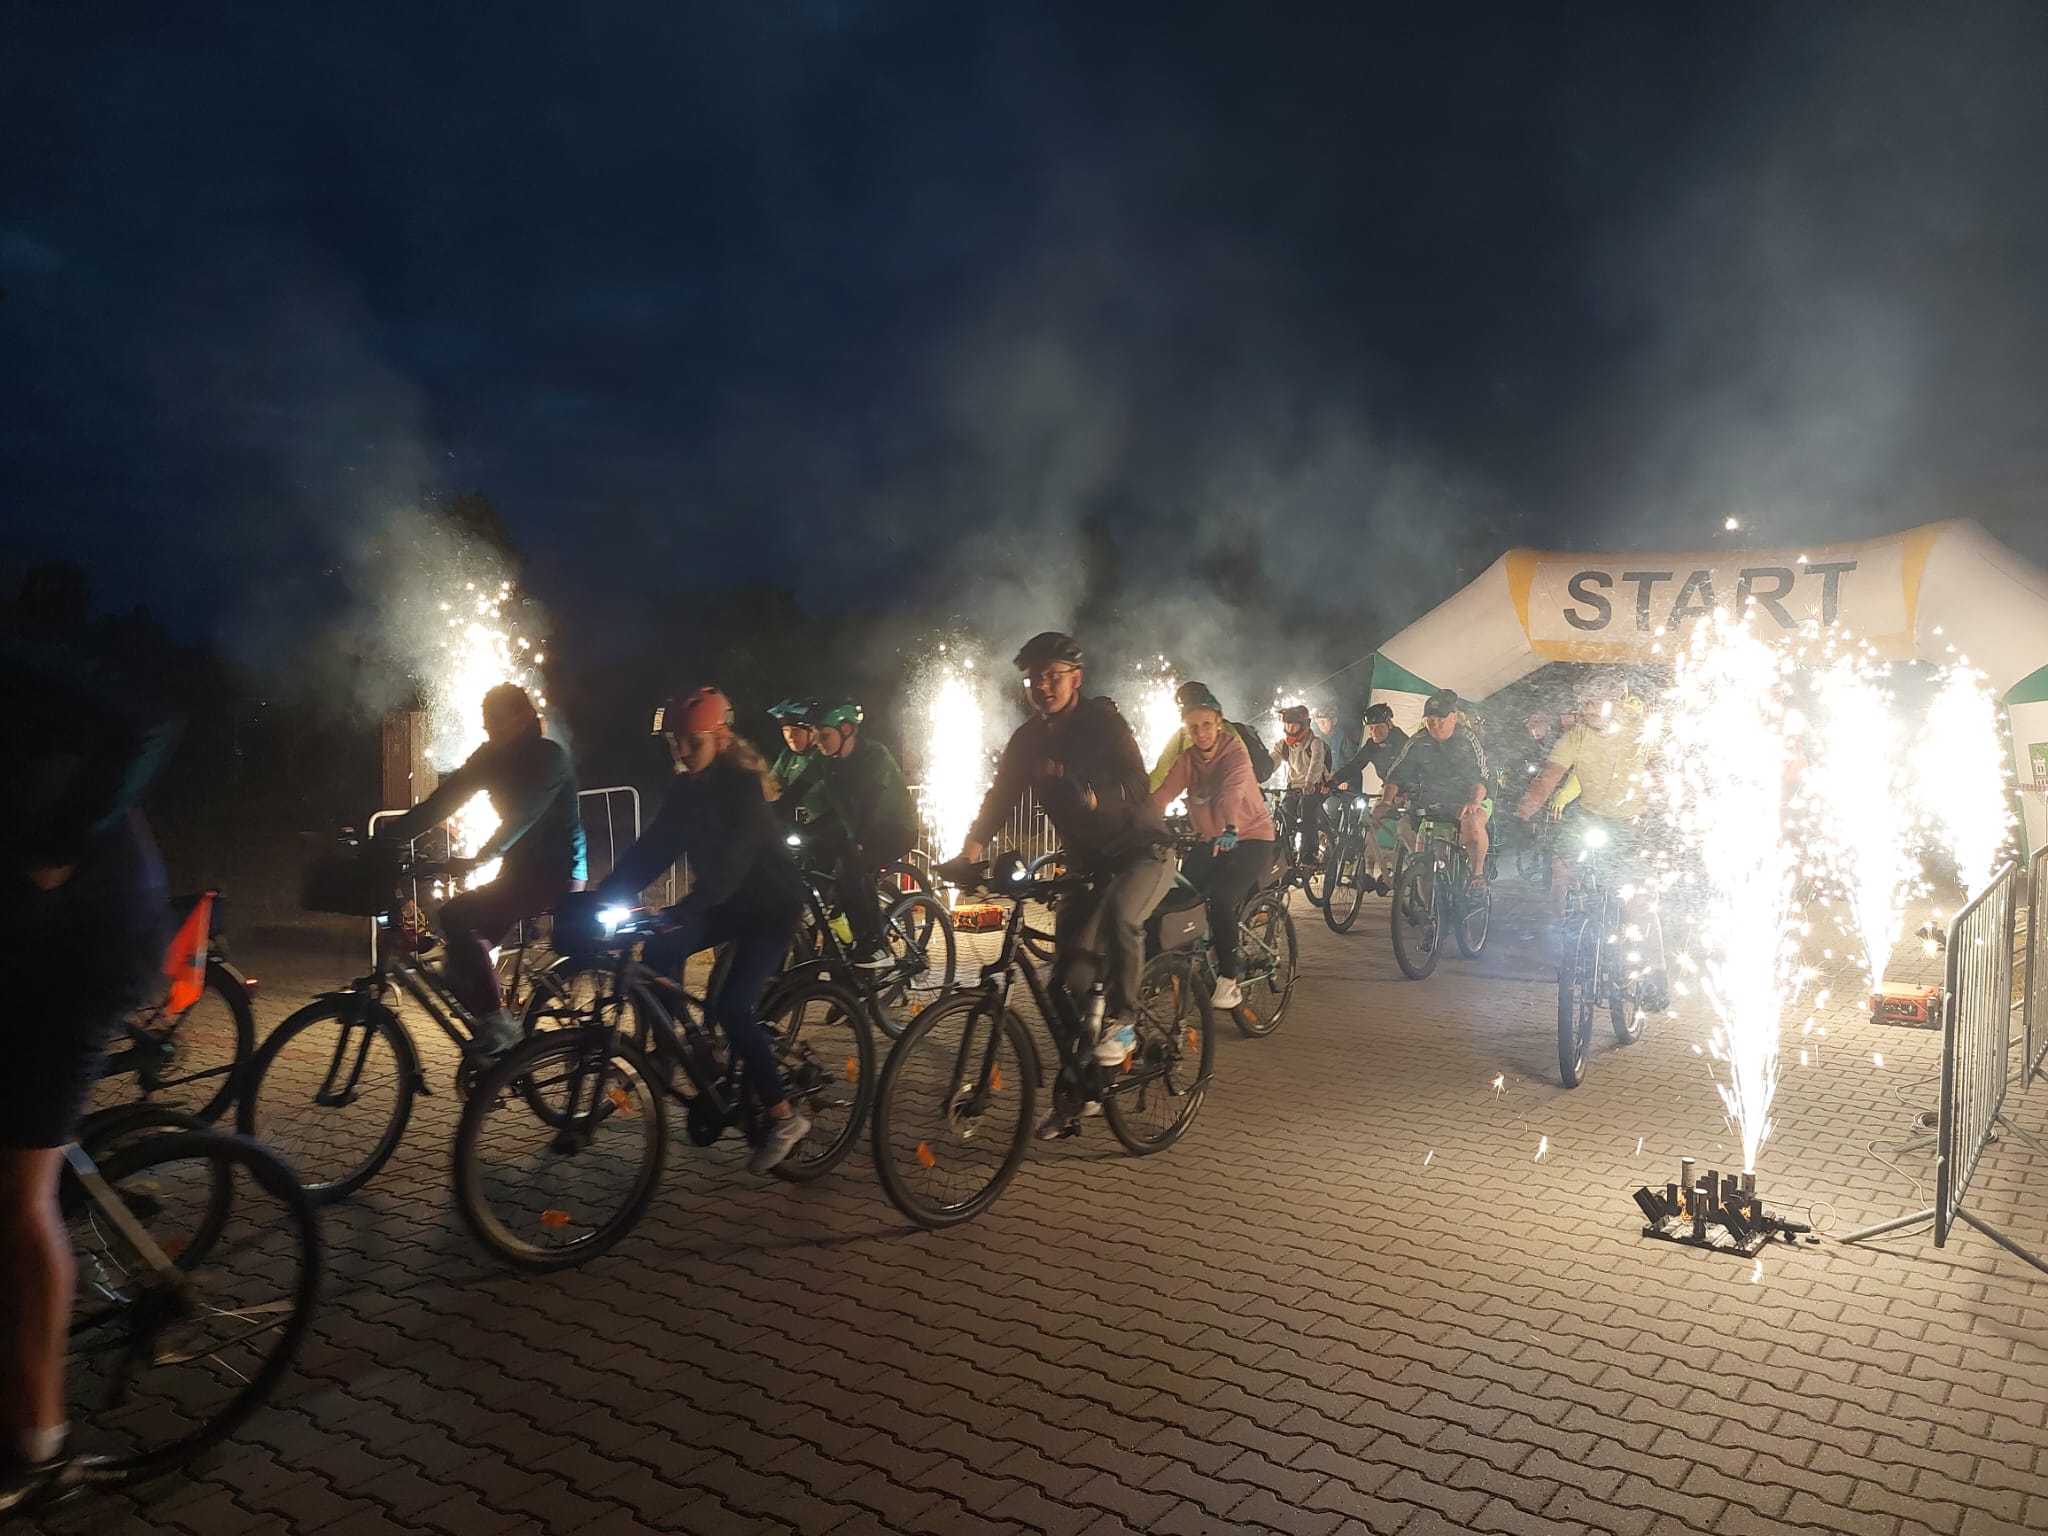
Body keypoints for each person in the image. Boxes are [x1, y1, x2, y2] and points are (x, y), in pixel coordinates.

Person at [2, 628, 177, 1512]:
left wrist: (56, 847)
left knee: (15, 1199)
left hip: (92, 941)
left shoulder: (19, 665)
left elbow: (145, 723)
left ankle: (42, 1451)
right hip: (24, 936)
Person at [959, 632, 1174, 1137]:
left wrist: (1093, 798)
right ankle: (1083, 1090)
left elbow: (1137, 785)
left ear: (1075, 678)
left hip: (1143, 850)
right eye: (1034, 677)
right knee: (1064, 982)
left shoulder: (1102, 724)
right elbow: (1001, 796)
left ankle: (1125, 1020)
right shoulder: (1027, 740)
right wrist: (968, 853)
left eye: (1053, 675)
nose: (1043, 685)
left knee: (1121, 914)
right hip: (1088, 864)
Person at [592, 688, 812, 1174]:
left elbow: (733, 863)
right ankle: (676, 1051)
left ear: (719, 737)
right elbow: (653, 850)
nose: (684, 751)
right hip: (725, 902)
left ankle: (784, 1116)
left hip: (769, 907)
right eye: (676, 742)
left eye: (694, 741)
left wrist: (688, 907)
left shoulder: (742, 787)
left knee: (731, 1007)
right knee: (657, 953)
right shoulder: (685, 790)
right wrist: (603, 893)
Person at [377, 684, 586, 1053]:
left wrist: (479, 858)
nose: (488, 728)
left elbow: (522, 817)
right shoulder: (489, 757)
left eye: (495, 720)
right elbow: (442, 802)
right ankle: (502, 1052)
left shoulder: (548, 757)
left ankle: (500, 1028)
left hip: (557, 871)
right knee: (464, 958)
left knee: (457, 916)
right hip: (519, 871)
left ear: (522, 718)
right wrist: (387, 838)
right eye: (486, 721)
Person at [1514, 670, 1667, 1007]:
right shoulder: (1576, 737)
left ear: (1617, 703)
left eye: (1595, 702)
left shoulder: (1641, 734)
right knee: (1562, 871)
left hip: (1632, 821)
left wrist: (1662, 814)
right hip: (1590, 817)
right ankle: (1570, 944)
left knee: (1638, 900)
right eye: (1584, 703)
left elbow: (1661, 778)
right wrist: (1522, 815)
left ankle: (1656, 973)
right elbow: (1547, 779)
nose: (1587, 709)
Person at [1150, 689, 1276, 1011]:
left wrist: (1231, 828)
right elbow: (1162, 795)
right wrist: (1137, 822)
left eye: (1207, 724)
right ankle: (1171, 964)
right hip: (1212, 840)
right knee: (1179, 895)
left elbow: (1231, 794)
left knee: (1221, 897)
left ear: (1219, 723)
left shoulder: (1235, 754)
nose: (1201, 732)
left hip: (1250, 838)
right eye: (1193, 727)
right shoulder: (1188, 760)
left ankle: (1229, 980)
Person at [807, 701, 918, 968]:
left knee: (854, 868)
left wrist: (858, 842)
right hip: (856, 827)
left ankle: (877, 945)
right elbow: (796, 791)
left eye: (825, 736)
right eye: (816, 736)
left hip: (895, 828)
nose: (819, 742)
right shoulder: (824, 760)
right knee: (818, 866)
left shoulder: (873, 756)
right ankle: (839, 941)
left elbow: (870, 803)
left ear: (846, 730)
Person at [1380, 689, 1492, 892]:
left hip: (1470, 798)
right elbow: (1396, 774)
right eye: (1431, 720)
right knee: (1423, 862)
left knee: (1472, 824)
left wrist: (1473, 801)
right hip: (1433, 803)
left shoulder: (1467, 739)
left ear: (1453, 717)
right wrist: (1386, 801)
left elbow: (1481, 777)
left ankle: (1477, 876)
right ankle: (1428, 909)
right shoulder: (1417, 741)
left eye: (1441, 719)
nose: (1435, 725)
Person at [1330, 702, 1410, 895]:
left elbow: (1413, 771)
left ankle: (1405, 870)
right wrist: (1334, 780)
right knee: (1369, 824)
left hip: (1409, 791)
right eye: (1371, 728)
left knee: (1405, 830)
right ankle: (1367, 872)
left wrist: (1404, 793)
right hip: (1388, 790)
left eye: (1378, 726)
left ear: (1389, 723)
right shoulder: (1371, 745)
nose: (1374, 732)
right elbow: (1355, 764)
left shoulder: (1404, 742)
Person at [1149, 681, 1275, 789]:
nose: (1200, 733)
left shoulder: (1229, 735)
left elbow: (1243, 777)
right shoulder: (1180, 737)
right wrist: (1144, 801)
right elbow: (1160, 775)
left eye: (1206, 724)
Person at [1274, 704, 1331, 872]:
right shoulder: (1284, 745)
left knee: (1307, 809)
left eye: (1294, 725)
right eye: (1287, 725)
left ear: (1303, 725)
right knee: (1285, 812)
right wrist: (1256, 777)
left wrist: (1310, 782)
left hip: (1315, 787)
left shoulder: (1315, 743)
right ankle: (1285, 852)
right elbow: (1271, 762)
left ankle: (1309, 854)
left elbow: (1317, 763)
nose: (1290, 729)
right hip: (1294, 788)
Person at [766, 698, 823, 804]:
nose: (790, 736)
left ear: (813, 732)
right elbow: (769, 786)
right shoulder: (787, 755)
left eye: (796, 731)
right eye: (786, 730)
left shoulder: (822, 757)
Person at [1314, 704, 1357, 781]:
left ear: (1334, 721)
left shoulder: (1342, 736)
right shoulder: (1317, 741)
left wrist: (1346, 780)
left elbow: (1353, 761)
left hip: (1341, 779)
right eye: (1319, 722)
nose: (1322, 724)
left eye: (1325, 721)